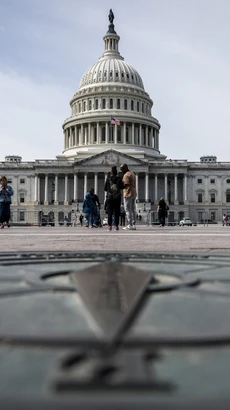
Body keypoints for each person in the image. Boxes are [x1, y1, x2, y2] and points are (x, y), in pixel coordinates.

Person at [104, 166, 123, 231]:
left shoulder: (108, 179)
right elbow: (122, 187)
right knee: (116, 212)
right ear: (116, 172)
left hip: (110, 197)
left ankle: (109, 226)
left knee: (110, 212)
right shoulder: (119, 179)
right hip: (117, 197)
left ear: (111, 172)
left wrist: (110, 190)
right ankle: (116, 226)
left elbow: (105, 188)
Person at [120, 164, 137, 230]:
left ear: (125, 168)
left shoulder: (126, 175)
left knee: (127, 210)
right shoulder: (132, 174)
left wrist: (120, 185)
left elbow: (125, 185)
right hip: (133, 193)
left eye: (122, 169)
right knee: (133, 209)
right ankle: (133, 224)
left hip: (128, 193)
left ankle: (130, 225)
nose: (121, 171)